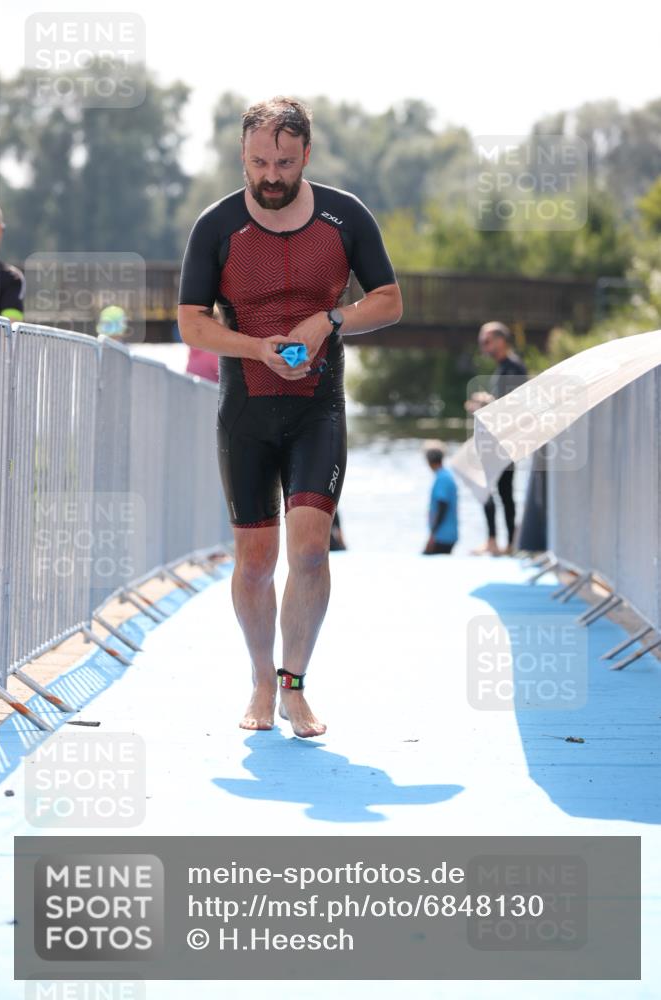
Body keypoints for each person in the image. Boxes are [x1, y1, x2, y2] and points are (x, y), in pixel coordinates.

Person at [177, 97, 402, 737]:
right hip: (244, 408)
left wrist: (330, 319)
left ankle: (293, 687)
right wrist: (256, 348)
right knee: (254, 559)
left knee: (307, 552)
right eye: (257, 162)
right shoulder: (217, 226)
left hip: (316, 411)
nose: (270, 176)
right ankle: (258, 679)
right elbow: (191, 321)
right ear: (242, 156)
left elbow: (388, 300)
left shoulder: (344, 217)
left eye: (282, 162)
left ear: (307, 153)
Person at [465, 321, 528, 556]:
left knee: (502, 492)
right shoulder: (503, 367)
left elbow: (515, 404)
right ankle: (496, 541)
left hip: (506, 442)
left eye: (487, 341)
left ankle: (507, 543)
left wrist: (485, 403)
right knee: (493, 489)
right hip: (497, 440)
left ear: (501, 340)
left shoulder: (514, 367)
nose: (484, 347)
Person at [422, 442, 458, 555]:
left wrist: (433, 534)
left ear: (429, 461)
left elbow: (442, 506)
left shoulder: (442, 478)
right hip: (448, 533)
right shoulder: (446, 475)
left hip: (442, 536)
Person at [0, 203, 25, 321]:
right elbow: (10, 334)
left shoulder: (11, 278)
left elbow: (10, 329)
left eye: (0, 229)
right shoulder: (11, 278)